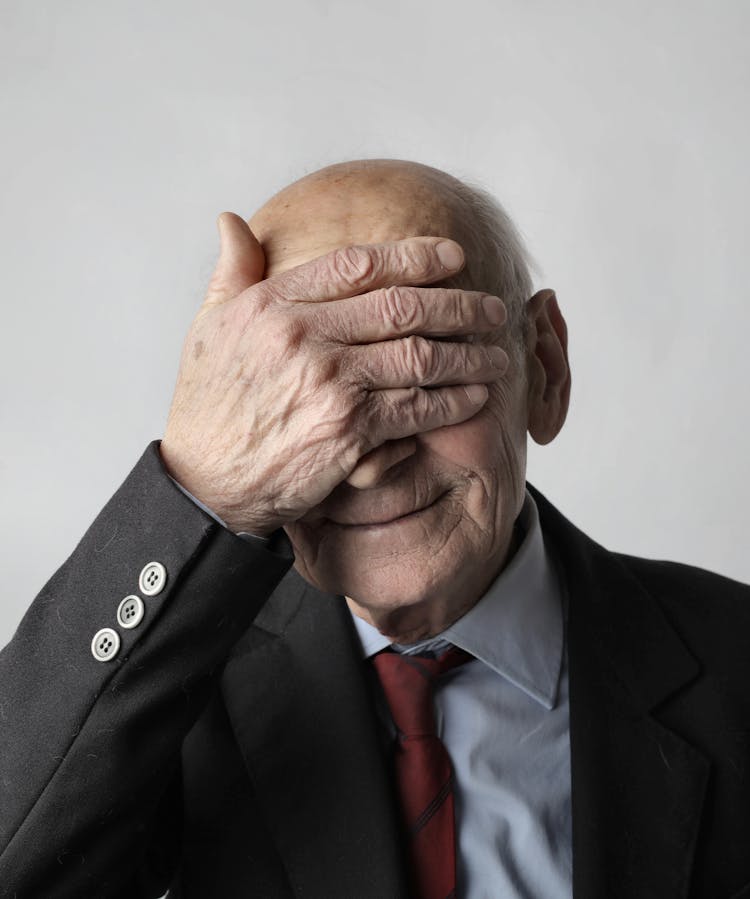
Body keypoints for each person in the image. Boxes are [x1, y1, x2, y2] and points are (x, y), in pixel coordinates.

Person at [1, 159, 749, 899]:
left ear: (544, 367)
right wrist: (200, 484)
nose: (368, 466)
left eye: (424, 377)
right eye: (303, 402)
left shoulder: (733, 658)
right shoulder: (174, 689)